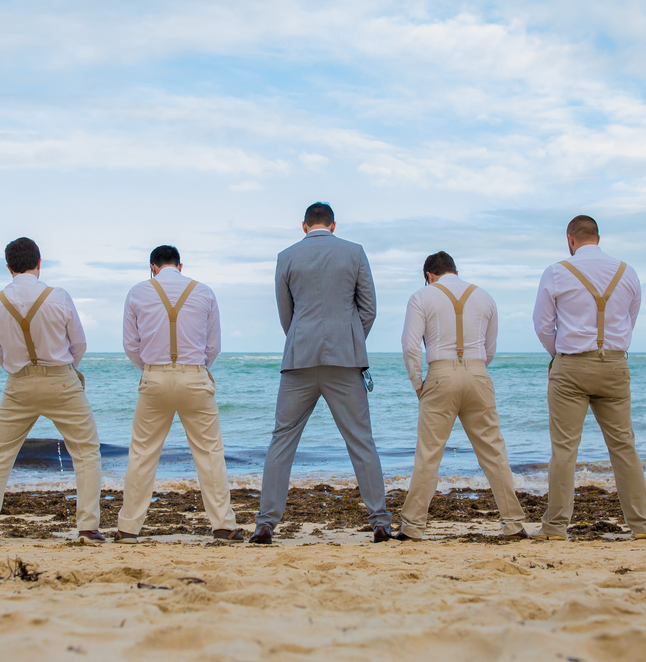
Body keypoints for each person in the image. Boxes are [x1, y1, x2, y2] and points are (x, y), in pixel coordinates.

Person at [251, 203, 392, 543]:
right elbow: (369, 309)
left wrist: (301, 339)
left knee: (282, 440)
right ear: (333, 225)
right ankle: (379, 522)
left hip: (299, 358)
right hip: (345, 359)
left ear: (304, 226)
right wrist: (350, 339)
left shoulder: (286, 256)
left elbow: (286, 313)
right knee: (361, 440)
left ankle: (266, 523)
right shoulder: (354, 252)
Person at [0, 237, 104, 545]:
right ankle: (87, 528)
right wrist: (65, 368)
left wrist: (18, 368)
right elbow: (79, 343)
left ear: (8, 267)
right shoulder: (59, 296)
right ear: (39, 263)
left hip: (18, 383)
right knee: (85, 452)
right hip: (61, 380)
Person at [532, 216, 646, 539]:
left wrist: (559, 353)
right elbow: (630, 319)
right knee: (624, 447)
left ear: (570, 239)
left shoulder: (557, 271)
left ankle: (555, 526)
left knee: (564, 450)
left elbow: (542, 324)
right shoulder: (627, 272)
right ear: (598, 237)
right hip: (614, 364)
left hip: (571, 366)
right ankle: (641, 525)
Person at [114, 245, 245, 543]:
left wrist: (151, 369)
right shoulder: (204, 292)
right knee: (209, 453)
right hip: (194, 376)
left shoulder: (137, 292)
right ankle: (223, 526)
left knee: (142, 453)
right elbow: (213, 346)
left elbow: (130, 345)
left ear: (153, 267)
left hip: (154, 378)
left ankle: (128, 528)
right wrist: (195, 369)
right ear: (180, 266)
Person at [397, 251, 528, 540]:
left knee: (429, 454)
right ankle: (513, 524)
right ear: (456, 272)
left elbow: (410, 346)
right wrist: (475, 369)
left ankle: (413, 527)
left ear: (429, 276)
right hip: (478, 372)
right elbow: (490, 348)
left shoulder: (421, 296)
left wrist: (417, 383)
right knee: (493, 451)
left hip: (440, 373)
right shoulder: (485, 297)